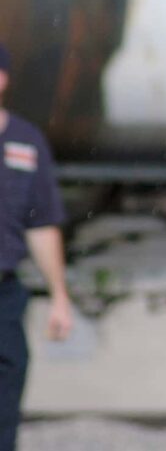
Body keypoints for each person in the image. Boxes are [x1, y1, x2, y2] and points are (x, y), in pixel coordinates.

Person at [0, 43, 73, 451]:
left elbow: (42, 226)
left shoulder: (25, 144)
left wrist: (60, 297)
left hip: (5, 295)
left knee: (5, 406)